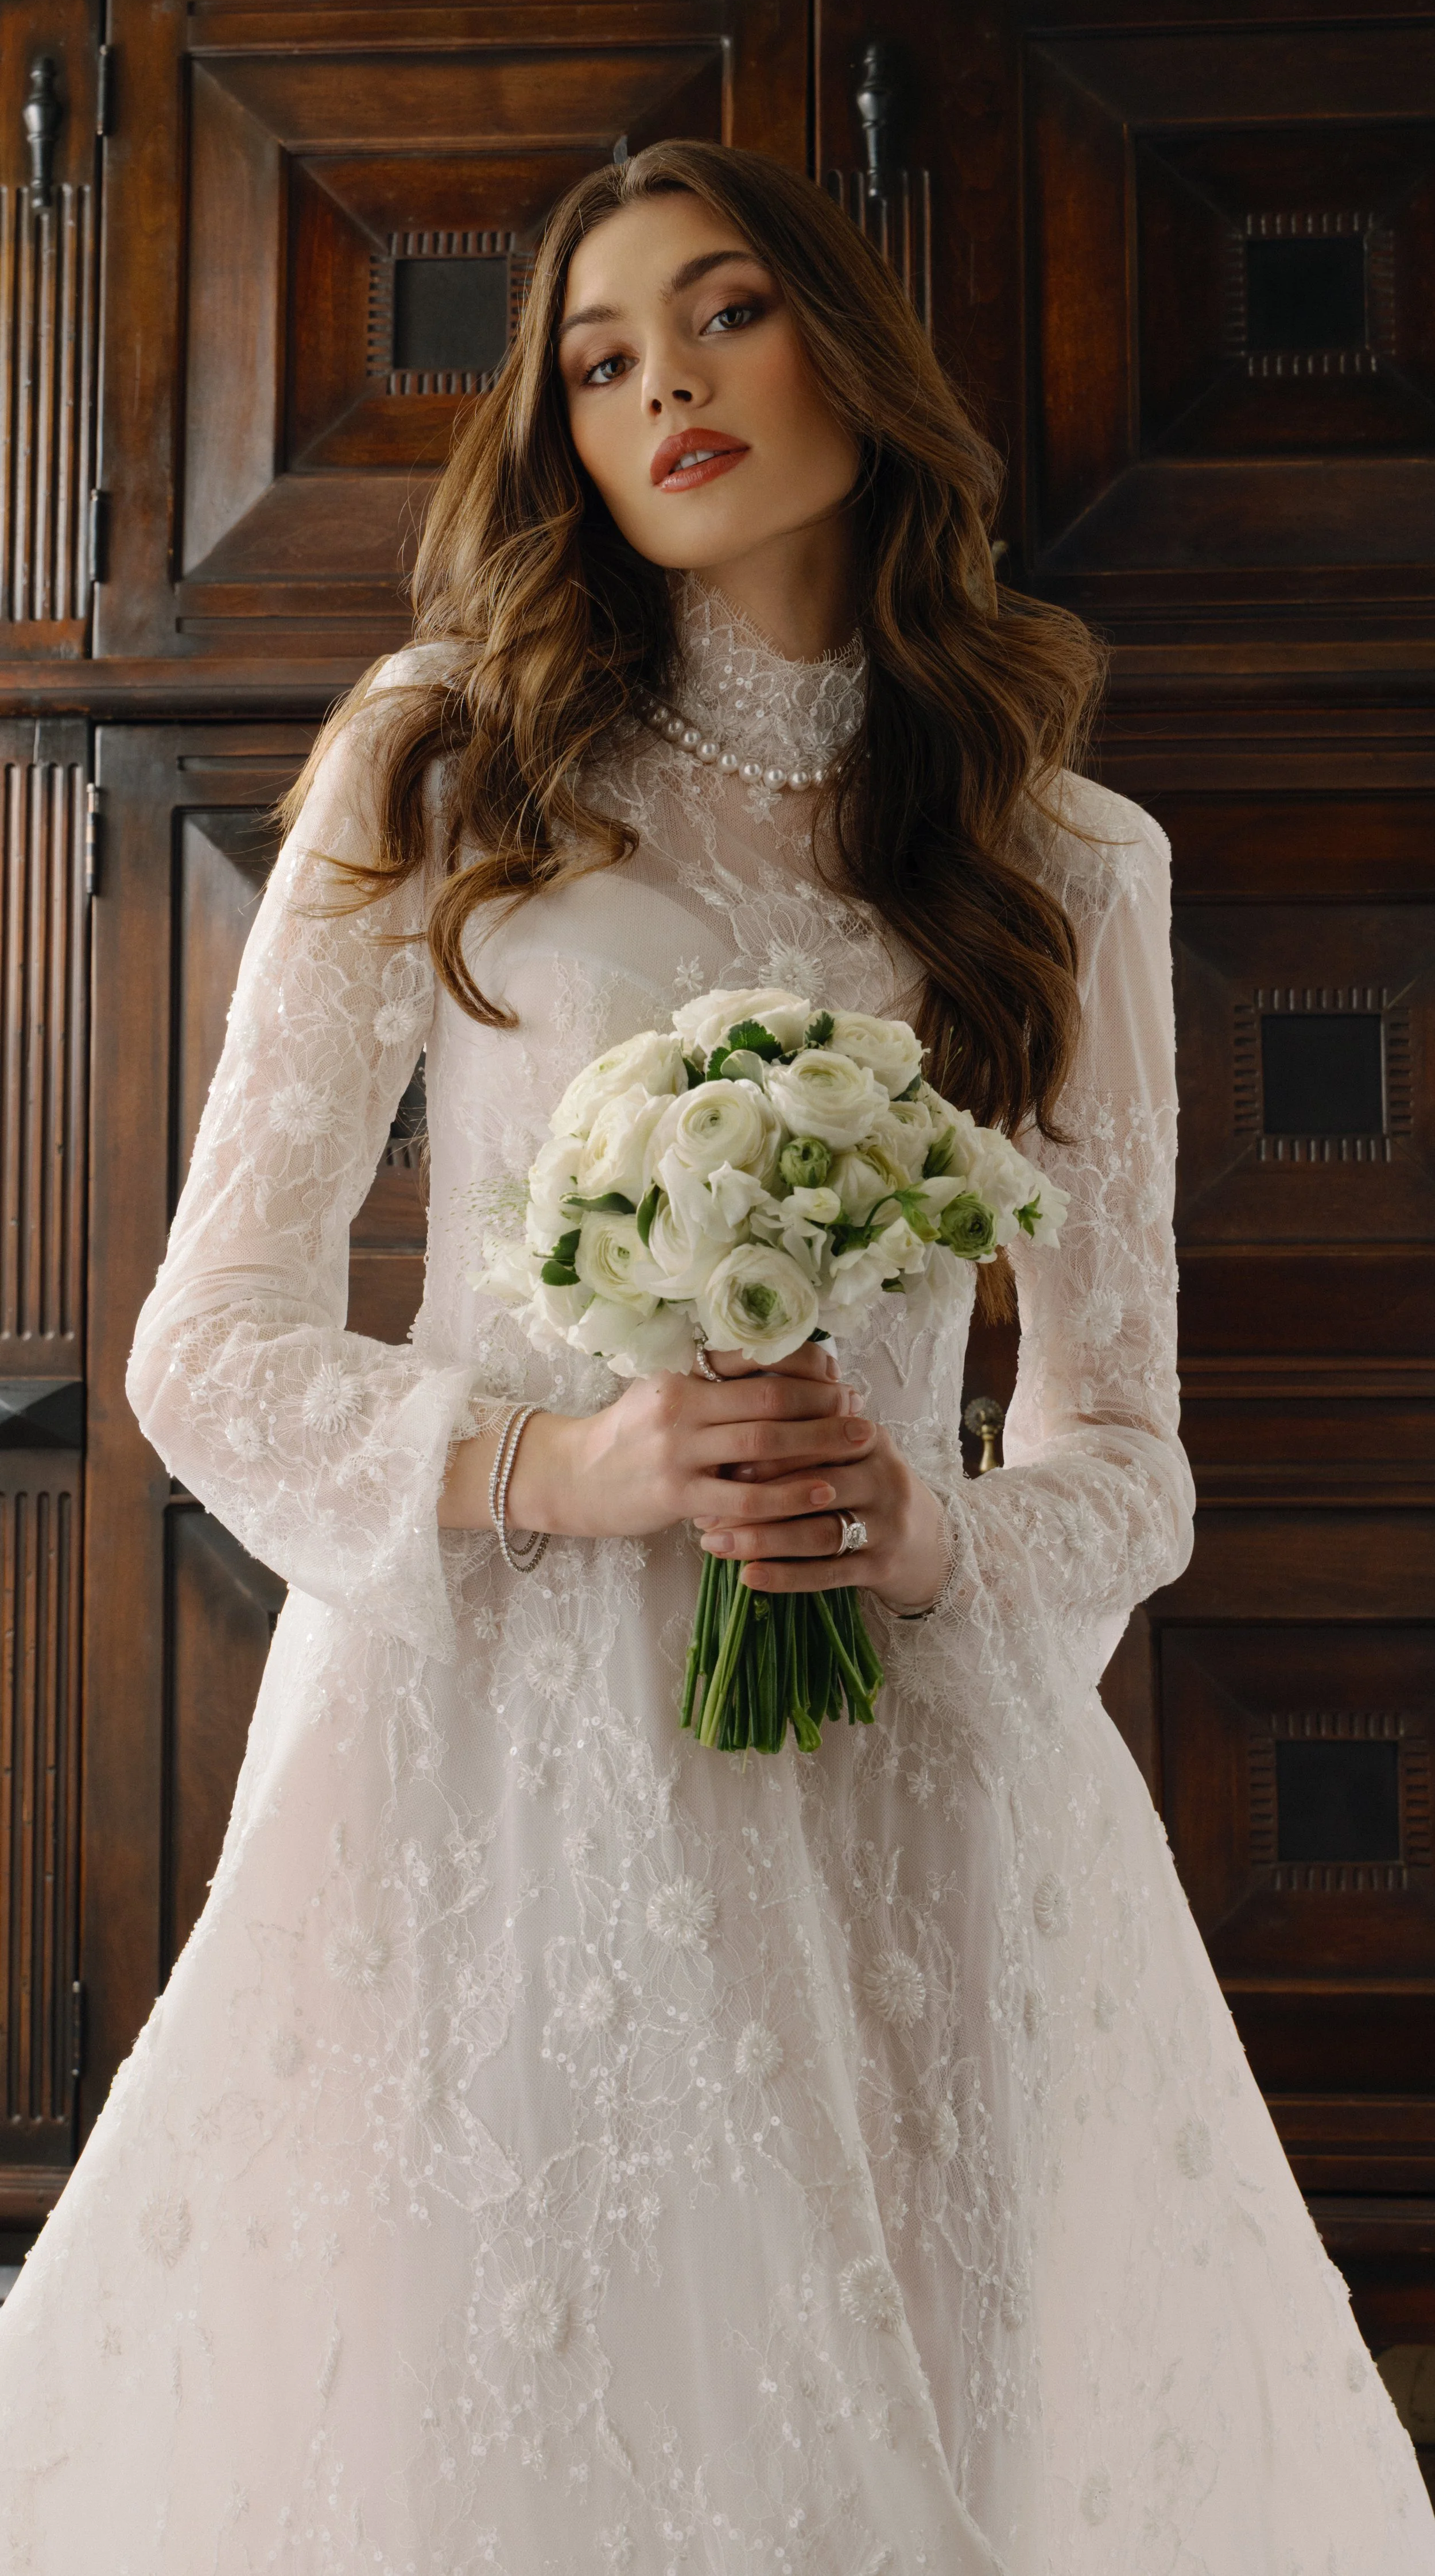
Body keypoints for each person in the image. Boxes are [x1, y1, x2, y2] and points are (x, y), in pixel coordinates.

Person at [1, 139, 1429, 2575]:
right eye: (594, 358)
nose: (660, 380)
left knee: (925, 2448)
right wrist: (562, 1465)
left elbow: (1126, 1454)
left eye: (725, 312)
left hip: (900, 1775)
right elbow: (207, 1352)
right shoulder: (446, 756)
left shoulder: (1065, 856)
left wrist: (934, 1523)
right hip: (498, 1768)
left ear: (852, 355)